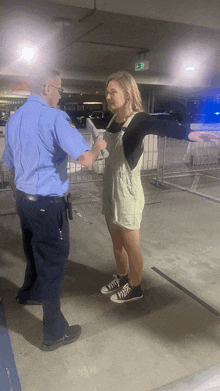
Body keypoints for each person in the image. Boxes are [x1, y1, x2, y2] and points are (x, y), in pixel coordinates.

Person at [3, 69, 107, 351]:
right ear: (48, 89)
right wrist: (98, 146)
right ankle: (54, 333)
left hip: (24, 202)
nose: (61, 96)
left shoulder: (14, 120)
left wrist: (20, 194)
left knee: (34, 252)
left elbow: (9, 164)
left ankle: (29, 293)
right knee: (53, 265)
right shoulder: (54, 118)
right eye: (59, 90)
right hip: (49, 205)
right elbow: (85, 159)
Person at [100, 70, 220, 304]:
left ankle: (135, 286)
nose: (108, 96)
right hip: (109, 188)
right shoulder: (114, 120)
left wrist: (192, 134)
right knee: (116, 242)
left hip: (127, 193)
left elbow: (164, 126)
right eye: (107, 92)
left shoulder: (140, 119)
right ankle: (122, 277)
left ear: (127, 93)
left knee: (131, 244)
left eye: (113, 92)